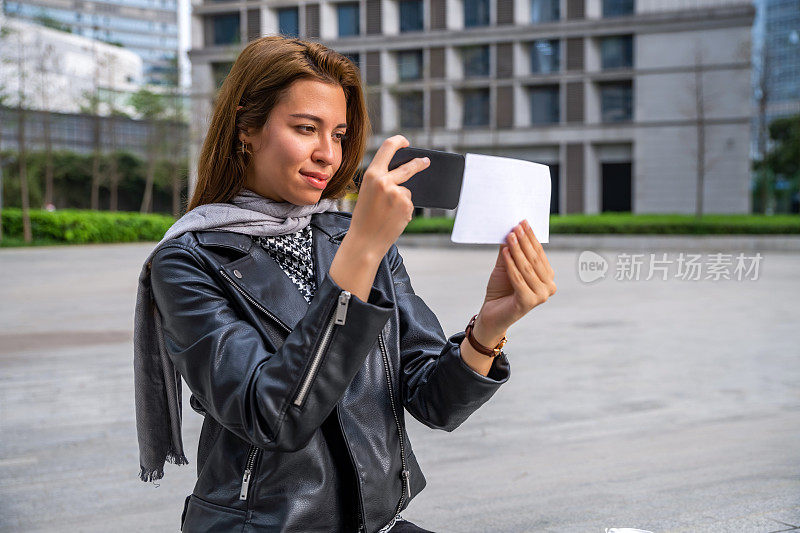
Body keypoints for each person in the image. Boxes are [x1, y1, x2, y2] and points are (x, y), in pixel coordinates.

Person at [133, 36, 556, 533]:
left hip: (374, 523)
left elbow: (434, 402)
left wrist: (489, 326)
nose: (327, 154)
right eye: (306, 128)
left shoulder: (348, 239)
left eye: (338, 134)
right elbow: (273, 416)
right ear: (247, 127)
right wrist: (361, 251)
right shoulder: (188, 262)